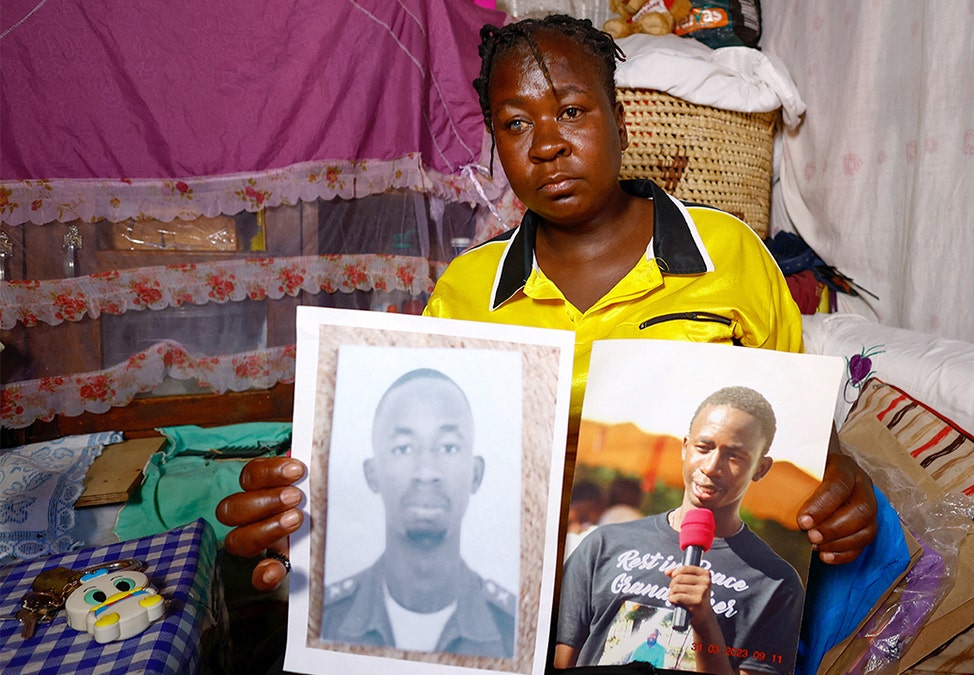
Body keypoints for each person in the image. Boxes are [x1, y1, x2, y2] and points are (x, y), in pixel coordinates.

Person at [217, 13, 876, 603]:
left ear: (619, 121)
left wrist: (834, 473)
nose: (547, 145)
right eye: (516, 123)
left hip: (696, 584)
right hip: (515, 594)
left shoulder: (727, 252)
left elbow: (795, 420)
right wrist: (309, 517)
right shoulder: (466, 292)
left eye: (571, 112)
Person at [556, 386, 802, 675]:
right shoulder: (602, 545)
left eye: (734, 456)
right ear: (685, 447)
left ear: (760, 468)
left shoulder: (776, 583)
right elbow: (561, 662)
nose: (711, 466)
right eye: (704, 447)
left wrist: (705, 623)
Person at [318, 368, 514, 657]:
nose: (426, 472)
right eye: (403, 448)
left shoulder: (515, 631)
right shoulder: (323, 620)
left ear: (476, 473)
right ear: (372, 473)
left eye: (448, 447)